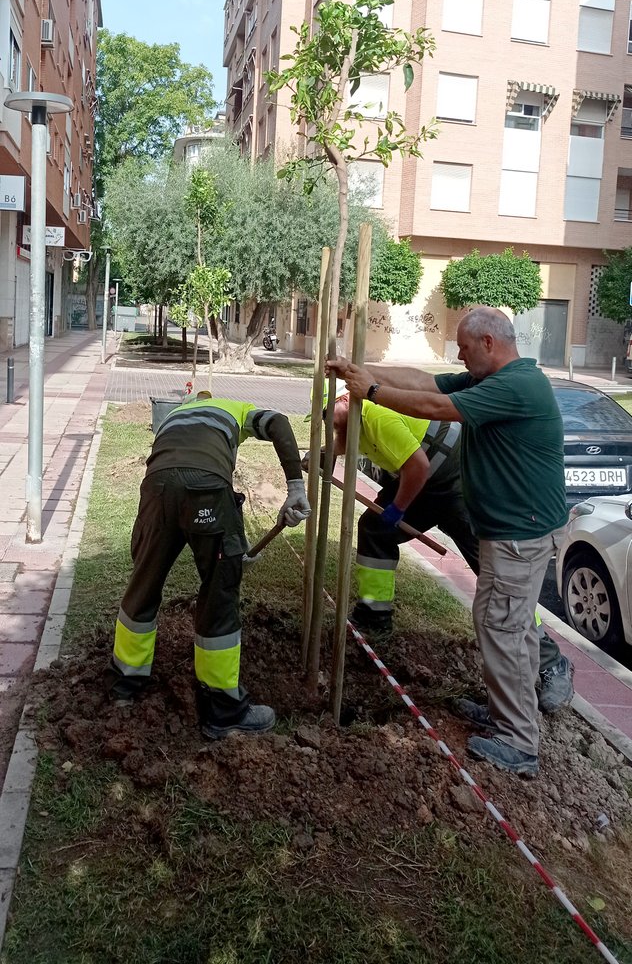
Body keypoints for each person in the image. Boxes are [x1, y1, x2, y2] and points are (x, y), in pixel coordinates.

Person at [328, 307, 569, 777]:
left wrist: (371, 391)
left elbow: (436, 408)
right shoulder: (490, 379)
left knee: (502, 625)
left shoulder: (513, 386)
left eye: (463, 347)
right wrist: (365, 369)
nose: (458, 356)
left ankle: (518, 741)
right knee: (503, 624)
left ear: (488, 343)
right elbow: (425, 383)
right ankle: (507, 714)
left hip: (519, 534)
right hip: (512, 530)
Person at [323, 381, 572, 716]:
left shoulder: (375, 415)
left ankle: (552, 662)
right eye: (325, 421)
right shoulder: (348, 418)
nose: (331, 424)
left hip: (458, 484)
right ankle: (374, 614)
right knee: (374, 529)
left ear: (345, 399)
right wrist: (323, 455)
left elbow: (417, 468)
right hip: (429, 482)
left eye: (331, 416)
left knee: (498, 576)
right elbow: (342, 441)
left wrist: (397, 509)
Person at [109, 390, 310, 740]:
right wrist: (295, 486)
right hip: (206, 487)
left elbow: (175, 477)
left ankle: (125, 686)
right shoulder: (236, 408)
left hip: (155, 489)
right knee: (219, 594)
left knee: (143, 583)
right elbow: (277, 422)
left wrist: (233, 555)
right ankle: (223, 710)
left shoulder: (173, 419)